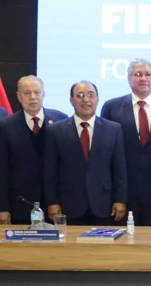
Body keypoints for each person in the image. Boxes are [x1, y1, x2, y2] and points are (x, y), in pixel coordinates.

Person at [100, 58, 151, 225]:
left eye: (148, 74)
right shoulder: (111, 107)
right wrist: (117, 196)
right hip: (124, 193)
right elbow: (105, 154)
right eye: (138, 74)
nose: (143, 78)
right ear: (129, 79)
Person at [44, 81, 127, 225]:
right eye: (80, 95)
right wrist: (52, 202)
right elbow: (50, 170)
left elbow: (119, 169)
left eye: (91, 95)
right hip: (68, 205)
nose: (86, 100)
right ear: (71, 100)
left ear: (98, 98)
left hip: (104, 204)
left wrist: (120, 199)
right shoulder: (56, 130)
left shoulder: (113, 129)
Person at [0, 75, 67, 224]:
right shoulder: (6, 126)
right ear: (18, 96)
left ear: (43, 94)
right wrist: (3, 207)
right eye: (27, 93)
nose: (32, 97)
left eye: (37, 92)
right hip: (21, 203)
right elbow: (2, 169)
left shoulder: (61, 120)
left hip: (56, 203)